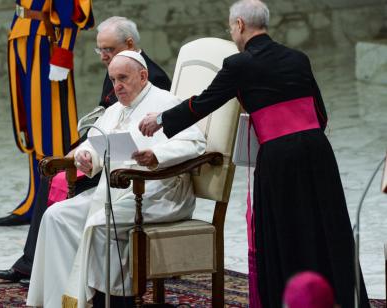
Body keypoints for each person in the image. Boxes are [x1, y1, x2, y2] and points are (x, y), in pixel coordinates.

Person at [138, 0, 370, 307]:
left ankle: (293, 297)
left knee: (286, 231)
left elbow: (204, 102)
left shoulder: (239, 64)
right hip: (318, 152)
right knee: (325, 223)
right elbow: (320, 114)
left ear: (239, 26)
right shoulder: (298, 57)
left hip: (278, 158)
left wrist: (162, 119)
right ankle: (340, 296)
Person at [0, 16, 172, 285]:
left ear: (130, 44)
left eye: (108, 49)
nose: (103, 57)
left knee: (57, 175)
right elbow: (106, 117)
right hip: (104, 152)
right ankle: (35, 263)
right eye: (100, 50)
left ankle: (39, 264)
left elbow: (154, 135)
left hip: (128, 166)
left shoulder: (154, 78)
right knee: (54, 170)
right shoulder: (117, 66)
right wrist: (82, 149)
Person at [26, 51, 206, 308]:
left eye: (123, 78)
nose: (116, 86)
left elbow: (196, 142)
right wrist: (87, 158)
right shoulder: (115, 109)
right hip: (114, 193)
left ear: (143, 76)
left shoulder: (166, 102)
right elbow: (94, 144)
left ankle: (108, 301)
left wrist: (156, 155)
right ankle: (61, 302)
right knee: (57, 216)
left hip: (159, 193)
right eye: (112, 79)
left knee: (100, 224)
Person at [0, 0, 94, 225]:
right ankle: (34, 199)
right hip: (21, 33)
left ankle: (54, 198)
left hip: (46, 41)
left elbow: (73, 9)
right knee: (30, 125)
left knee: (51, 128)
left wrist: (63, 54)